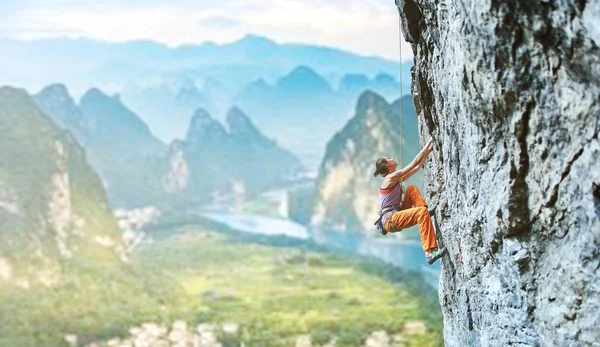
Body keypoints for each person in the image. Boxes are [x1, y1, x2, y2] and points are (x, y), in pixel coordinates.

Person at [373, 138, 447, 264]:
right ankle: (429, 253)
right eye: (389, 158)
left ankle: (425, 211)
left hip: (395, 214)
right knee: (420, 213)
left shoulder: (393, 179)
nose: (392, 159)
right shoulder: (390, 178)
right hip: (390, 219)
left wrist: (428, 150)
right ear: (387, 165)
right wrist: (430, 141)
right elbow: (414, 163)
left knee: (411, 189)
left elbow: (417, 167)